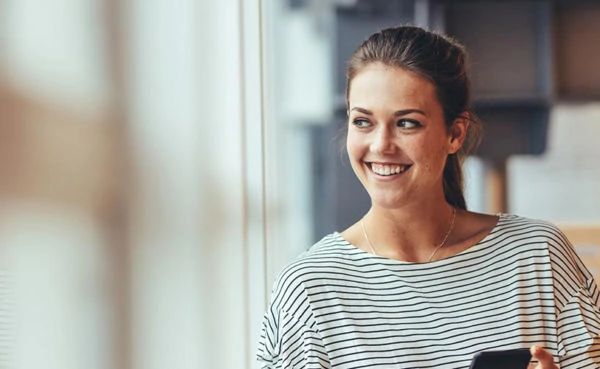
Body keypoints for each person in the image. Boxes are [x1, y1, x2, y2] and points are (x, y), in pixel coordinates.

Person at [256, 25, 600, 368]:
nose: (381, 146)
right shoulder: (310, 289)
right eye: (363, 122)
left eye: (407, 123)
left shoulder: (537, 255)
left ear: (455, 133)